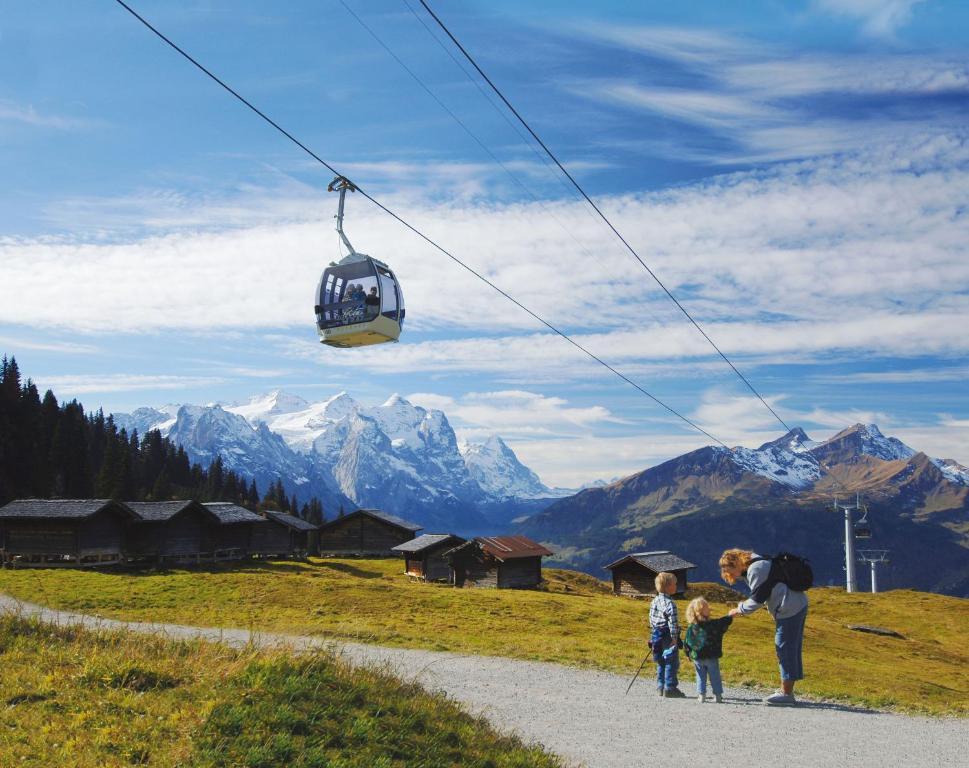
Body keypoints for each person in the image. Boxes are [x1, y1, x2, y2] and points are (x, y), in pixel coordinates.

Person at [720, 548, 809, 706]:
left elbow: (757, 599)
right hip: (796, 604)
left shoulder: (756, 569)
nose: (731, 576)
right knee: (790, 647)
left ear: (736, 563)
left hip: (789, 608)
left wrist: (738, 609)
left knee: (784, 647)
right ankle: (787, 689)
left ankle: (786, 694)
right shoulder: (759, 562)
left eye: (730, 570)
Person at [684, 597, 732, 703]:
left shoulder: (692, 627)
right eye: (707, 607)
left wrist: (688, 653)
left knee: (700, 676)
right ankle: (718, 695)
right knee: (715, 675)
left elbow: (687, 642)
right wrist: (730, 616)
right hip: (711, 656)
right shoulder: (713, 625)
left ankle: (702, 695)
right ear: (701, 611)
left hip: (697, 657)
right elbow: (722, 622)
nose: (709, 609)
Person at [649, 571, 685, 698]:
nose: (676, 586)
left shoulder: (654, 601)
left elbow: (651, 620)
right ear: (669, 586)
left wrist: (654, 635)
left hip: (657, 635)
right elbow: (673, 623)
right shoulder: (670, 604)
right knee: (671, 661)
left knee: (660, 661)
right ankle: (670, 688)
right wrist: (675, 638)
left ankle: (660, 686)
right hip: (668, 636)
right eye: (675, 584)